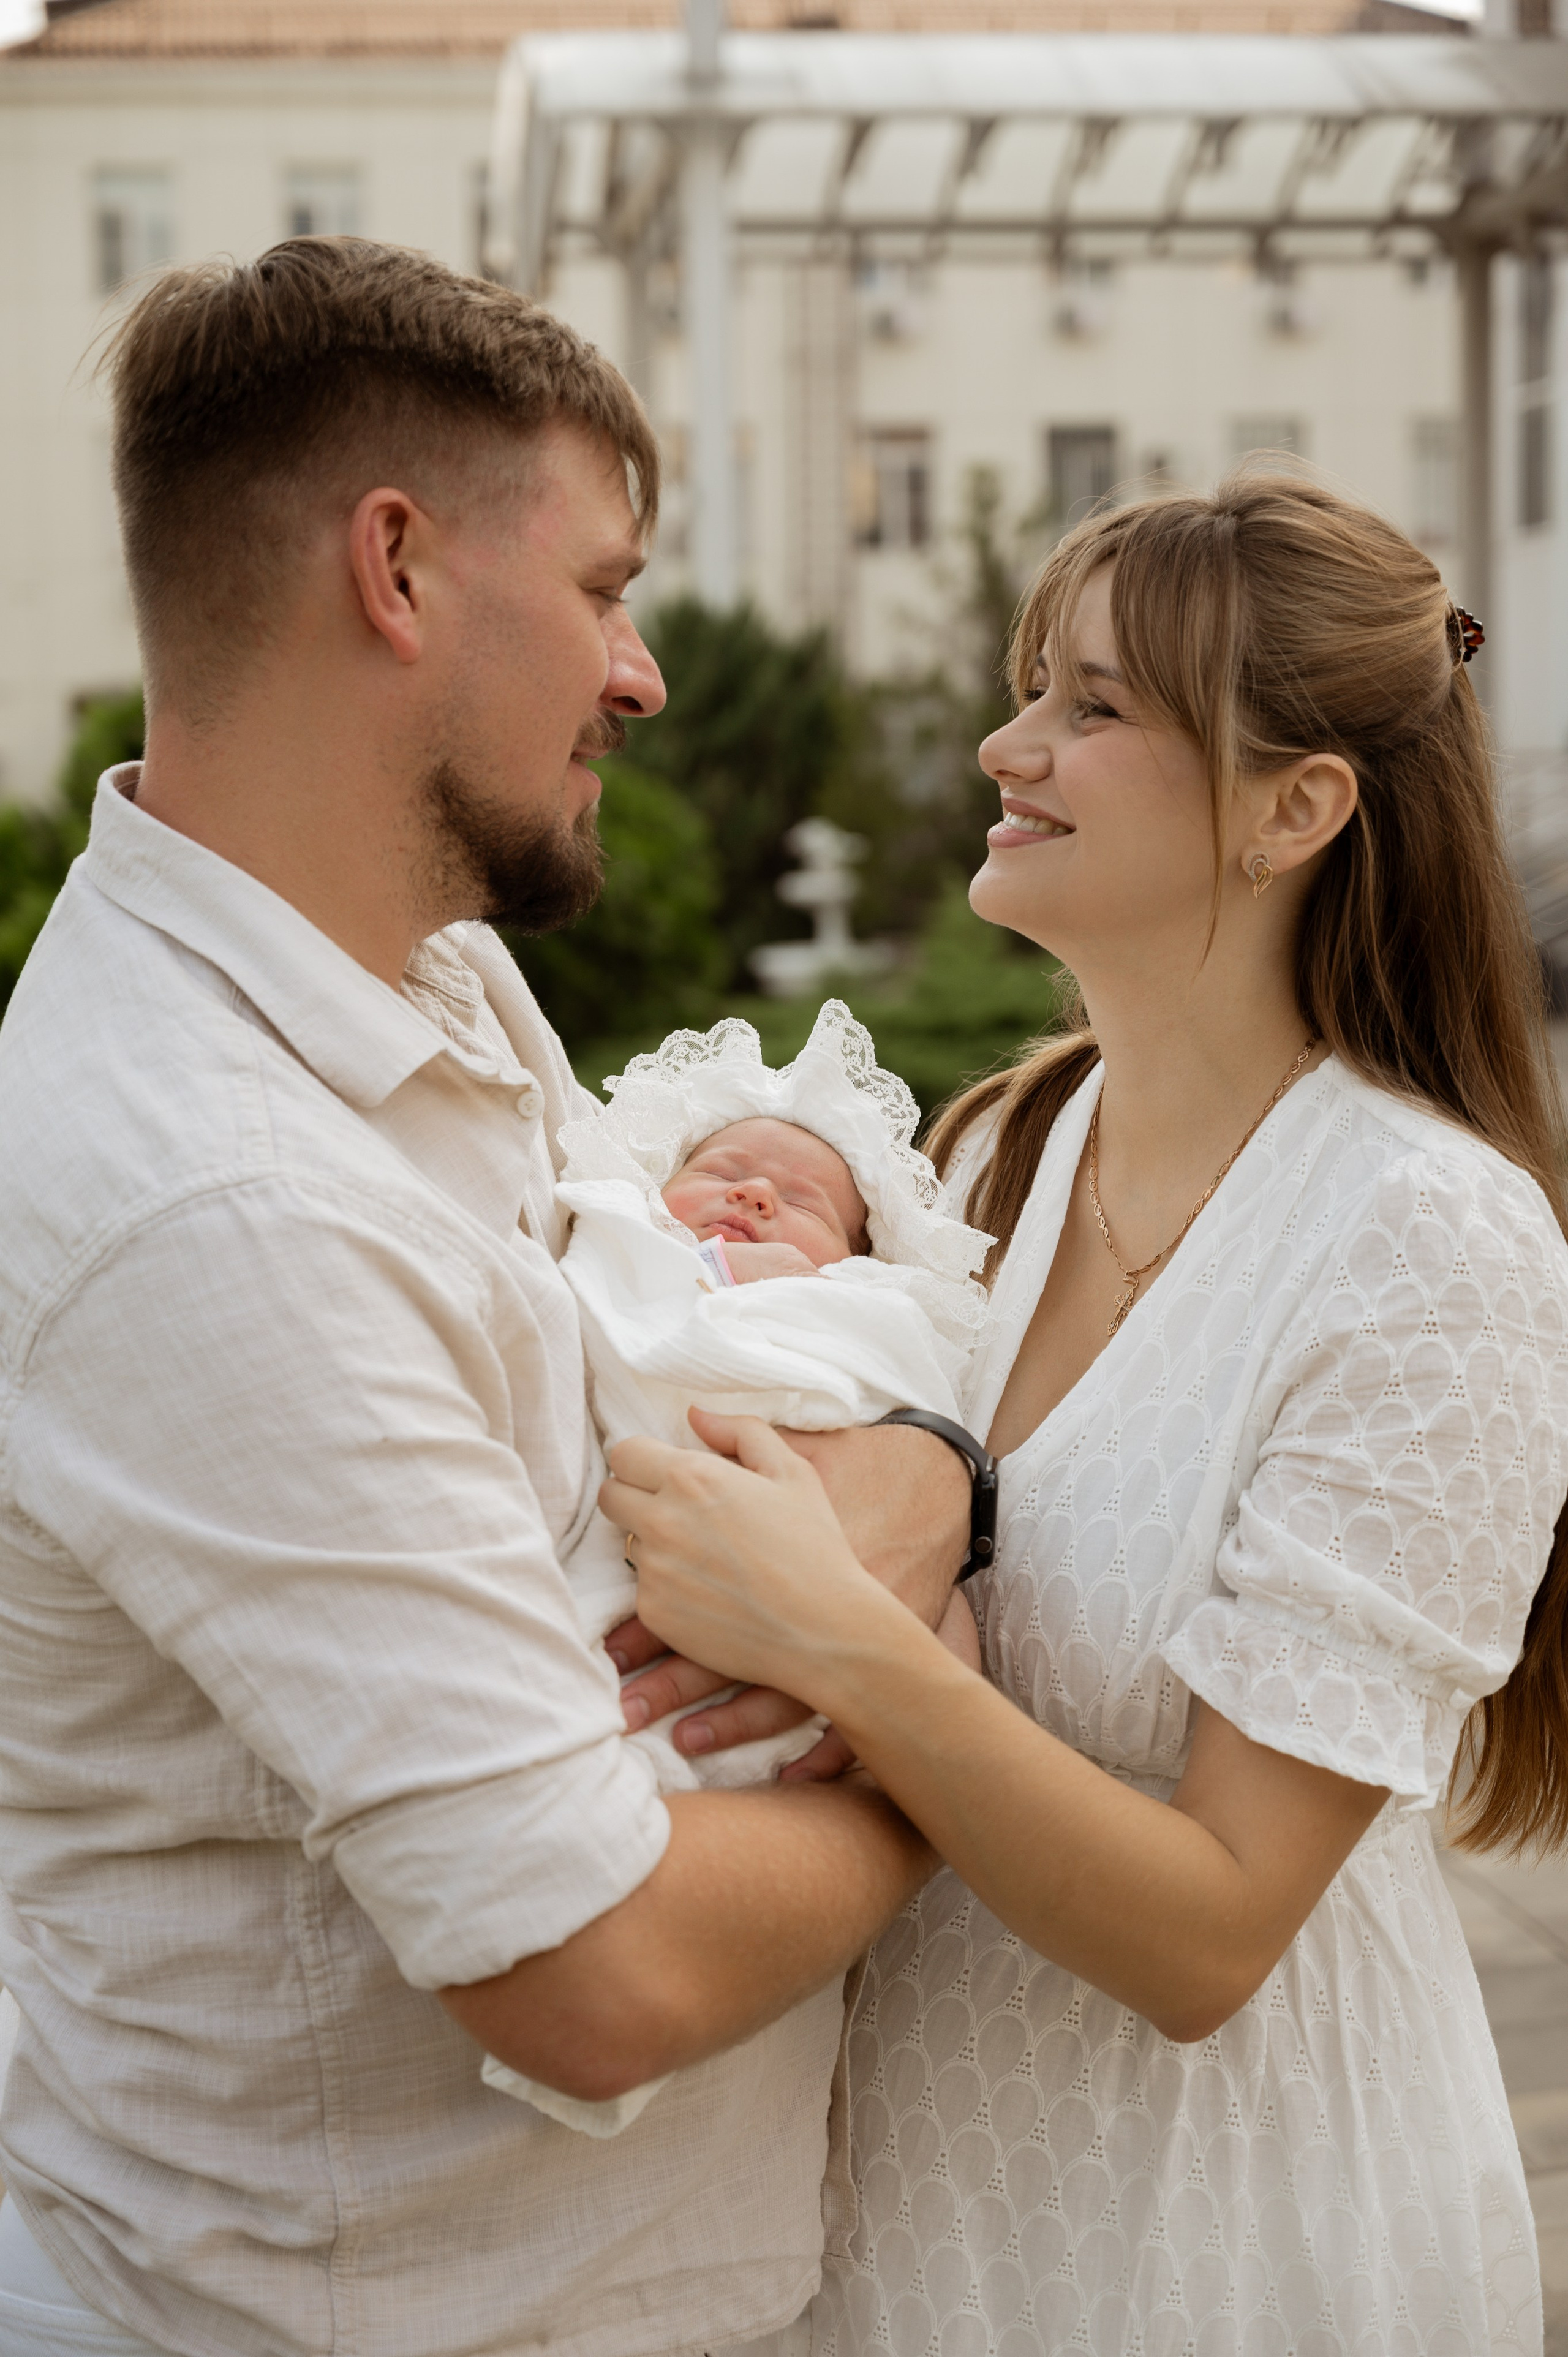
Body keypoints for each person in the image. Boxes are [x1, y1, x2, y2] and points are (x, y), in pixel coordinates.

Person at [0, 237, 977, 2357]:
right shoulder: (210, 1196)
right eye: (606, 587)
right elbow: (587, 1960)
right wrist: (946, 1742)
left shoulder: (426, 967)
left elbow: (684, 1350)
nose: (639, 671)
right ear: (401, 570)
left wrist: (920, 1466)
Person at [605, 473, 1568, 2355]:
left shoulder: (1433, 1239)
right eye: (1033, 684)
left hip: (1227, 2226)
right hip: (908, 2219)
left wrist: (833, 1638)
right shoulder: (981, 1156)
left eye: (1094, 707)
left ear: (1295, 809)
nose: (1008, 741)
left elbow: (1211, 1935)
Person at [492, 1001, 992, 2138]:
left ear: (865, 1260)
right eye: (720, 1171)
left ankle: (660, 1904)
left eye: (804, 1201)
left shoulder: (862, 1310)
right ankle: (598, 1914)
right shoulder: (615, 1234)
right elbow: (602, 1308)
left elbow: (897, 1388)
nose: (754, 1196)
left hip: (798, 1545)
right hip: (623, 1544)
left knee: (724, 1739)